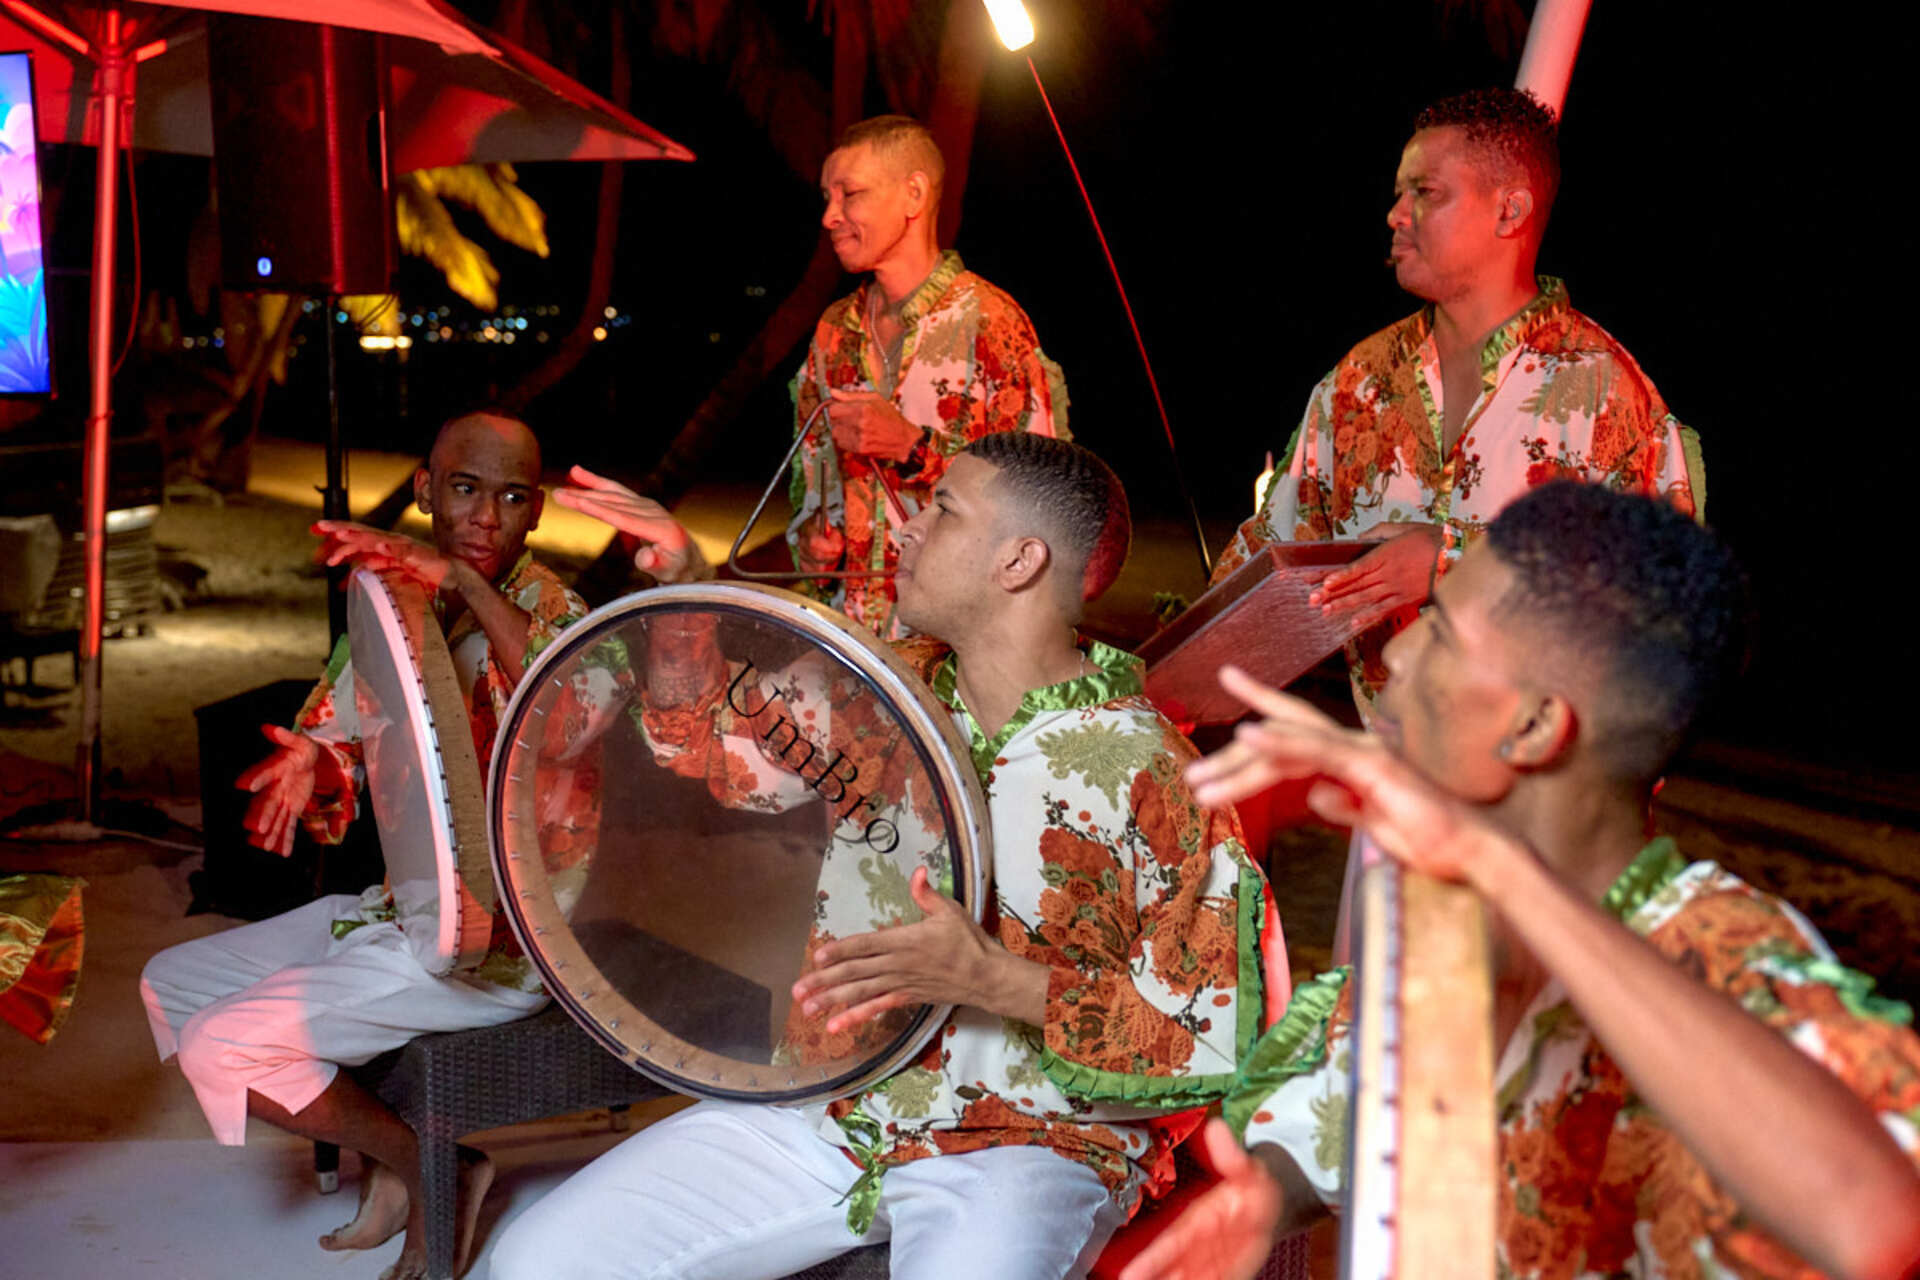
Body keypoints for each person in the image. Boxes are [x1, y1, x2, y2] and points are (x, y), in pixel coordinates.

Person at [497, 435, 1278, 1280]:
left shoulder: (1156, 773)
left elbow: (1214, 1040)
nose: (904, 529)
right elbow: (710, 750)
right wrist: (683, 590)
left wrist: (995, 981)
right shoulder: (882, 690)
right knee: (540, 1262)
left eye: (943, 511)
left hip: (1029, 1143)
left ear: (1019, 561)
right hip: (833, 1110)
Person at [1121, 484, 1920, 1280]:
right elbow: (1337, 1122)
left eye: (1440, 632)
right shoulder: (1447, 935)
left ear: (1535, 727)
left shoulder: (1716, 950)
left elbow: (1875, 1218)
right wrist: (1261, 1200)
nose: (1396, 654)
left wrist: (1495, 864)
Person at [139, 412, 592, 1280]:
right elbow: (343, 737)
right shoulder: (398, 605)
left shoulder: (553, 610)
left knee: (222, 1047)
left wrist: (467, 579)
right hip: (407, 911)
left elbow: (573, 713)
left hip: (506, 943)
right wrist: (312, 766)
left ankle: (432, 1172)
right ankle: (410, 1155)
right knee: (173, 983)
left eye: (511, 498)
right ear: (425, 490)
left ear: (535, 512)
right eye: (465, 489)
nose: (486, 516)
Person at [1215, 87, 1700, 705]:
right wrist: (1151, 687)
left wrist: (1451, 563)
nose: (1396, 214)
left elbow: (1666, 615)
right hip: (1385, 762)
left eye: (1425, 192)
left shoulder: (1606, 394)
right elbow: (1265, 566)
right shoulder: (1360, 381)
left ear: (1509, 211)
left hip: (1544, 764)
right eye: (1399, 192)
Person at [788, 114, 1070, 640]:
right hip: (850, 643)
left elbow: (1041, 501)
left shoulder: (991, 323)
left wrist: (912, 447)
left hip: (956, 651)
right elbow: (812, 489)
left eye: (850, 194)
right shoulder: (832, 333)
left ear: (913, 195)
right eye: (827, 197)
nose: (829, 216)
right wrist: (812, 543)